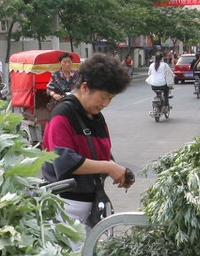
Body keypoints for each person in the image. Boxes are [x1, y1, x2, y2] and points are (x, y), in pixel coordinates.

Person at [41, 53, 134, 226]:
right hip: (65, 207)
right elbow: (64, 161)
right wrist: (108, 166)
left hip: (90, 204)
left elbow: (101, 153)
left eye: (111, 99)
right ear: (84, 87)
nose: (106, 104)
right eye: (104, 97)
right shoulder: (62, 115)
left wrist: (119, 172)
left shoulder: (96, 116)